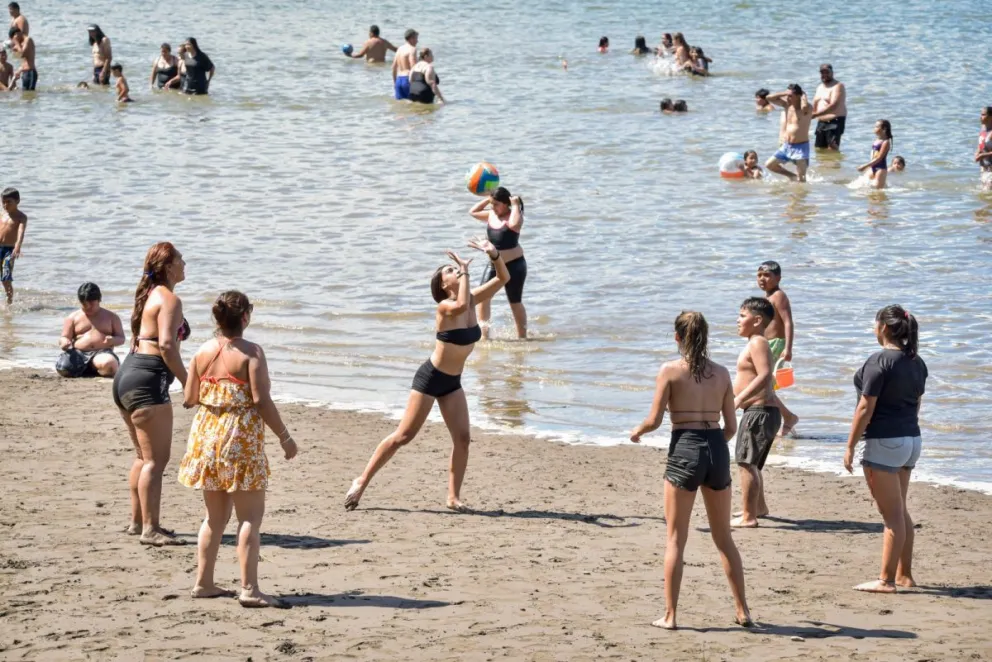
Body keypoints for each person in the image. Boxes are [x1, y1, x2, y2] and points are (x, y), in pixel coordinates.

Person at [344, 238, 510, 512]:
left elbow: (504, 277)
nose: (454, 270)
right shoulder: (445, 307)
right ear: (444, 285)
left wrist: (494, 255)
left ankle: (453, 497)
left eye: (454, 268)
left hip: (452, 383)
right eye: (449, 270)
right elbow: (458, 307)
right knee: (404, 436)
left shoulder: (471, 299)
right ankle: (361, 481)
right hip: (430, 378)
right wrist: (466, 270)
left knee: (463, 438)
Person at [630, 312, 752, 630]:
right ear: (707, 337)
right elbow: (731, 427)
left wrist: (638, 431)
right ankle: (743, 610)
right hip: (716, 448)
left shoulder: (670, 371)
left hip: (685, 445)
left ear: (677, 337)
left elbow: (655, 419)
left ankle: (670, 615)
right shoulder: (723, 373)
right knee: (724, 537)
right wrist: (711, 448)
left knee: (675, 539)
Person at [178, 291, 299, 608]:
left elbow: (189, 398)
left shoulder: (202, 351)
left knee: (214, 518)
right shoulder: (251, 353)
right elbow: (261, 401)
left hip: (206, 437)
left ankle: (204, 582)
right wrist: (285, 437)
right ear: (246, 316)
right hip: (239, 439)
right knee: (249, 518)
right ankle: (249, 589)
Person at [112, 242, 190, 546]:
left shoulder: (148, 295)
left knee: (142, 457)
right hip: (148, 378)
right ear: (169, 267)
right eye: (181, 259)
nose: (185, 263)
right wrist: (187, 382)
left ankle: (137, 522)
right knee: (156, 461)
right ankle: (150, 529)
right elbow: (168, 346)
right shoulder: (169, 299)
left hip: (127, 375)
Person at [844, 305, 926, 593]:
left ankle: (886, 581)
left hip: (884, 442)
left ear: (883, 327)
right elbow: (916, 404)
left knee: (892, 516)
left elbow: (866, 407)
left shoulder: (879, 361)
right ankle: (904, 575)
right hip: (911, 440)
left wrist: (850, 445)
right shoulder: (916, 362)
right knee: (900, 510)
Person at [731, 298, 780, 529]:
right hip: (761, 411)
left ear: (757, 320)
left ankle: (749, 516)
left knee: (745, 461)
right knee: (753, 463)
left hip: (759, 411)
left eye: (742, 316)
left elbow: (765, 375)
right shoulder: (755, 342)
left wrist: (738, 399)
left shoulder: (758, 342)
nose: (738, 320)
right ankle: (758, 508)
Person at [469, 188, 527, 339]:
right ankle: (484, 336)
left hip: (515, 265)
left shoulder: (515, 216)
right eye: (492, 204)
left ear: (506, 203)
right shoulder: (491, 214)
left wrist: (515, 204)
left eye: (496, 204)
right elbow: (473, 212)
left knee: (514, 302)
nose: (493, 207)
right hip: (494, 264)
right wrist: (488, 199)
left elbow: (514, 225)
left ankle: (522, 337)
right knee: (483, 297)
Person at [757, 261, 799, 435]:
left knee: (764, 385)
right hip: (766, 344)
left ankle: (787, 417)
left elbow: (788, 322)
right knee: (762, 385)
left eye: (767, 275)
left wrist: (788, 348)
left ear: (778, 278)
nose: (762, 279)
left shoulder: (779, 296)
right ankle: (780, 418)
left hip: (777, 344)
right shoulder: (767, 298)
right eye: (759, 275)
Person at [57, 282, 125, 378]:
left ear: (99, 299)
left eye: (91, 303)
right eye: (84, 304)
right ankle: (87, 368)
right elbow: (64, 337)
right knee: (63, 368)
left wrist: (113, 340)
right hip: (79, 353)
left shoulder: (112, 317)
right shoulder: (73, 317)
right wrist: (64, 342)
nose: (88, 307)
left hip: (102, 353)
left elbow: (121, 338)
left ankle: (94, 367)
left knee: (110, 366)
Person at [764, 84, 812, 182]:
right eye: (787, 95)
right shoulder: (786, 105)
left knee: (802, 179)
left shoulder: (806, 107)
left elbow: (805, 107)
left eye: (791, 96)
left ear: (799, 96)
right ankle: (792, 176)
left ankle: (800, 195)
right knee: (769, 164)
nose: (788, 98)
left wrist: (804, 95)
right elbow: (768, 98)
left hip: (801, 148)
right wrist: (785, 93)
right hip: (787, 146)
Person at [812, 64, 847, 151]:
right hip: (821, 123)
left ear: (832, 73)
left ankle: (834, 165)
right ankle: (822, 165)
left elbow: (833, 105)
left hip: (834, 122)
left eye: (827, 72)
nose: (824, 75)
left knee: (832, 150)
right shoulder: (819, 87)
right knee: (819, 150)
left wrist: (815, 114)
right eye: (822, 73)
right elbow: (815, 104)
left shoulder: (838, 86)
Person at [0, 187, 26, 305]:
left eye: (9, 202)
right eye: (3, 202)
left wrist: (18, 246)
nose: (5, 205)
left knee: (6, 278)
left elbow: (21, 232)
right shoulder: (2, 214)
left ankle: (9, 302)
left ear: (17, 201)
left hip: (9, 250)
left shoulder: (21, 217)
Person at [858, 119, 893, 189]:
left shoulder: (886, 142)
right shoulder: (877, 140)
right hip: (872, 167)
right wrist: (869, 166)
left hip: (880, 169)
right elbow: (873, 155)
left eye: (876, 127)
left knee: (878, 191)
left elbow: (879, 158)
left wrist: (865, 166)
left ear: (884, 129)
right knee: (862, 186)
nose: (874, 128)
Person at [391, 28, 418, 100]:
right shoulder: (412, 49)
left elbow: (393, 67)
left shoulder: (400, 49)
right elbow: (414, 66)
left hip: (398, 80)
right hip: (408, 79)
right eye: (416, 38)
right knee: (414, 105)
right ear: (411, 38)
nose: (417, 41)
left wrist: (394, 82)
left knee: (401, 107)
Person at [9, 26, 34, 90]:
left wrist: (17, 42)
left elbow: (22, 54)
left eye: (14, 38)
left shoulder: (28, 40)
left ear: (16, 34)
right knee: (25, 95)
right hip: (25, 72)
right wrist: (18, 71)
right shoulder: (22, 43)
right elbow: (23, 60)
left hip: (30, 72)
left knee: (29, 94)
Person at [975, 106, 992, 190]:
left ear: (990, 117)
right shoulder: (983, 129)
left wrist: (983, 155)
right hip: (984, 169)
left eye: (983, 115)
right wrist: (977, 152)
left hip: (991, 170)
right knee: (985, 199)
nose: (980, 117)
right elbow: (981, 144)